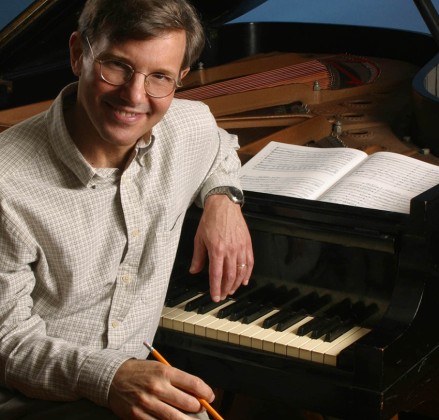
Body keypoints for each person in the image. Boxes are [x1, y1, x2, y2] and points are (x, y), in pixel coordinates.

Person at [0, 0, 253, 418]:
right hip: (29, 396)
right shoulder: (8, 184)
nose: (134, 97)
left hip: (134, 376)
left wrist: (223, 198)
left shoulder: (190, 127)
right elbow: (7, 342)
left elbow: (221, 148)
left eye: (159, 77)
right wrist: (111, 377)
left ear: (181, 79)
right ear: (78, 53)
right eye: (116, 66)